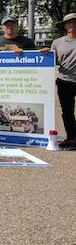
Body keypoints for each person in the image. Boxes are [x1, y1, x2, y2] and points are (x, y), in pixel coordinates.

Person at [52, 12, 76, 147]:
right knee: (67, 111)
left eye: (74, 22)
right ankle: (72, 137)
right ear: (65, 26)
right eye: (69, 23)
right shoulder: (57, 43)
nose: (72, 25)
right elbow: (50, 60)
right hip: (64, 80)